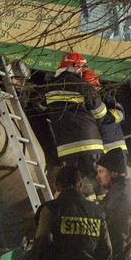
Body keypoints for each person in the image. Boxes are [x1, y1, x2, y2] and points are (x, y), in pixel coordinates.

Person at [44, 52, 107, 187]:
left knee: (72, 185)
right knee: (97, 185)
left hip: (65, 149)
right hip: (89, 146)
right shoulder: (84, 86)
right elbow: (100, 113)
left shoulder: (48, 88)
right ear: (77, 67)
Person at [84, 69, 128, 173]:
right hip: (97, 151)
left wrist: (104, 118)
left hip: (115, 152)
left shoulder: (105, 95)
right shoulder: (84, 99)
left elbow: (120, 113)